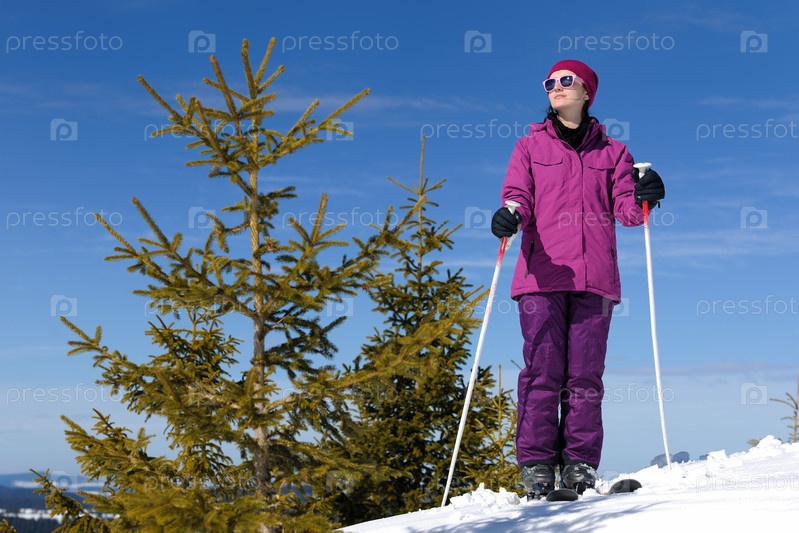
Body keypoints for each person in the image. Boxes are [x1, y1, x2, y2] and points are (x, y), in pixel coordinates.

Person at [490, 59, 665, 497]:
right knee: (542, 371)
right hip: (541, 276)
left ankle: (580, 466)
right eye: (549, 82)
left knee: (585, 376)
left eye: (565, 80)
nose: (555, 87)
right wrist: (511, 216)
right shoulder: (529, 146)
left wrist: (646, 196)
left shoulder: (614, 153)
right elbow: (518, 196)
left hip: (595, 279)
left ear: (587, 91)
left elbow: (627, 210)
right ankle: (537, 466)